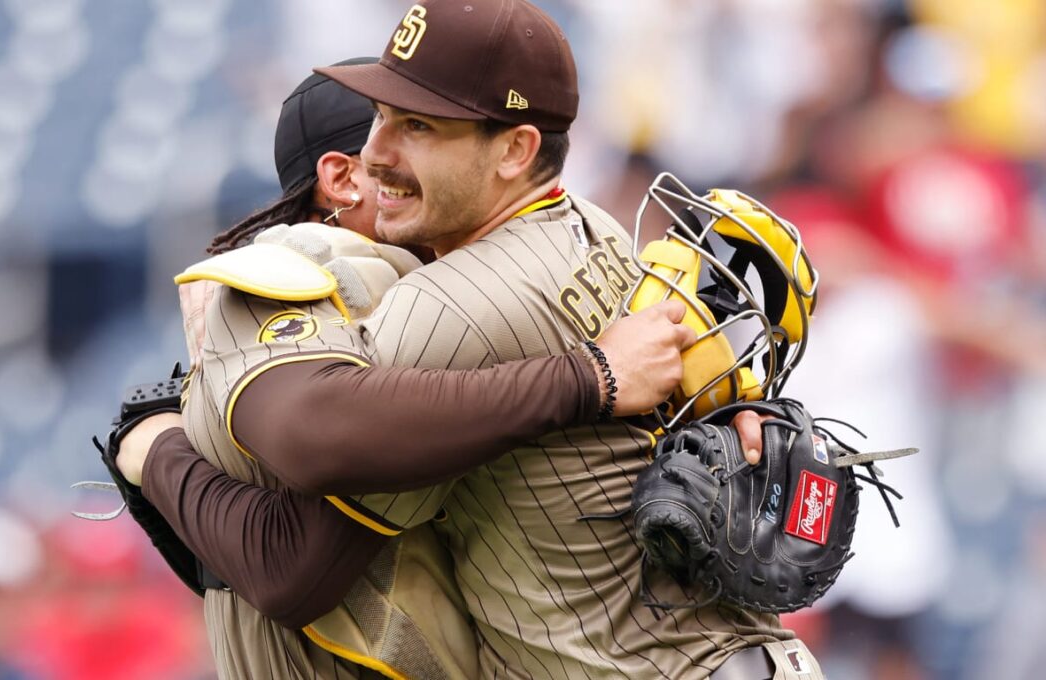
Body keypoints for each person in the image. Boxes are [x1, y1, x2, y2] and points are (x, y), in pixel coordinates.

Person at [120, 3, 815, 678]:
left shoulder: (444, 304)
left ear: (516, 149)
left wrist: (155, 447)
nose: (377, 151)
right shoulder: (599, 229)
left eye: (417, 126)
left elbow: (290, 567)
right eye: (381, 117)